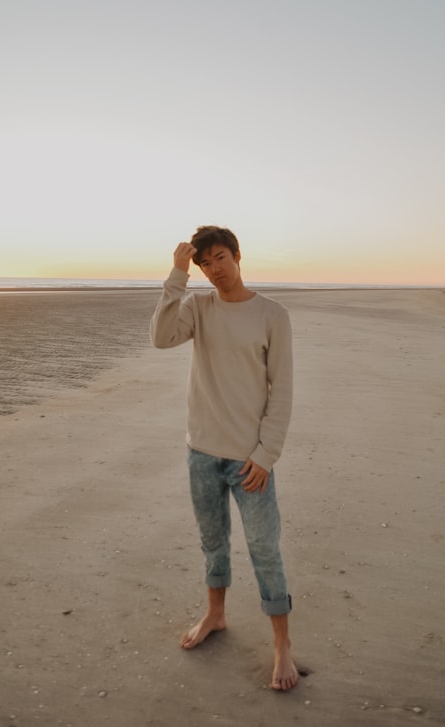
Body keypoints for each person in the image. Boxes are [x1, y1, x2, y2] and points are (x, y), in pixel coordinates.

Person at [150, 225, 298, 691]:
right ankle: (216, 615)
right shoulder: (198, 306)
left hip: (249, 461)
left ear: (237, 255)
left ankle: (282, 646)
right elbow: (160, 337)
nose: (214, 270)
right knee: (212, 542)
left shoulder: (272, 314)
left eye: (220, 259)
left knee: (265, 552)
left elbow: (283, 390)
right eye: (204, 264)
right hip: (201, 453)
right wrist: (175, 275)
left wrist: (266, 454)